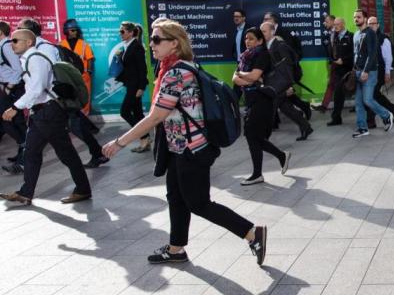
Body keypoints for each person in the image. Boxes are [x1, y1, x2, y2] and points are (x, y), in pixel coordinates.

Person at [101, 19, 267, 265]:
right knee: (176, 198)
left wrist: (120, 142)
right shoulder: (177, 67)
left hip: (192, 148)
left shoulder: (177, 73)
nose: (151, 45)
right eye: (151, 39)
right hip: (178, 146)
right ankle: (176, 248)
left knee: (199, 203)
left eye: (157, 40)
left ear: (175, 44)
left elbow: (156, 115)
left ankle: (252, 232)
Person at [0, 28, 92, 206]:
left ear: (28, 42)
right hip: (42, 113)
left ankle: (82, 189)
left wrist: (15, 108)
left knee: (64, 153)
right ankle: (26, 193)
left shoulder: (35, 59)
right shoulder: (29, 59)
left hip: (49, 112)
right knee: (32, 152)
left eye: (15, 41)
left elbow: (37, 88)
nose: (12, 44)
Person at [21, 18, 108, 169]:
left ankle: (96, 155)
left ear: (28, 34)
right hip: (54, 97)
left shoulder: (43, 48)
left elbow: (51, 73)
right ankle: (96, 154)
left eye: (20, 29)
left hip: (57, 96)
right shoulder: (40, 47)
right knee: (72, 125)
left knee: (74, 126)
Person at [233, 26, 291, 186]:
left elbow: (254, 75)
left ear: (259, 41)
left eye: (251, 38)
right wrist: (248, 77)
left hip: (263, 99)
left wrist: (245, 76)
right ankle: (268, 166)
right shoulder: (245, 56)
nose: (247, 41)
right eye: (246, 38)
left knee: (252, 135)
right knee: (253, 136)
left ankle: (268, 165)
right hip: (251, 99)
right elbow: (235, 78)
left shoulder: (263, 54)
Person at [262, 20, 312, 141]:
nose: (262, 34)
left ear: (272, 32)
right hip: (275, 83)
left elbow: (287, 66)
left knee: (270, 106)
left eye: (264, 31)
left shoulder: (280, 46)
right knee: (285, 107)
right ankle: (305, 126)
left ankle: (264, 135)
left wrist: (290, 84)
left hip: (282, 84)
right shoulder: (268, 45)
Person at [351, 9, 393, 138]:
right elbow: (356, 54)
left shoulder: (370, 33)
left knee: (367, 99)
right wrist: (354, 70)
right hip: (357, 72)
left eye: (358, 17)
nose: (356, 19)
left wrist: (366, 71)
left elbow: (372, 54)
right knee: (358, 102)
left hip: (369, 73)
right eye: (354, 17)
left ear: (364, 18)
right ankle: (363, 128)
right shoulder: (356, 34)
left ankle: (386, 115)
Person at [115, 22, 151, 153]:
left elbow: (142, 69)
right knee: (138, 113)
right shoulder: (128, 46)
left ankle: (145, 136)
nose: (120, 34)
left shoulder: (136, 47)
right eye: (120, 31)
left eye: (123, 31)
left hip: (135, 86)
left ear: (131, 32)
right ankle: (145, 142)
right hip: (131, 84)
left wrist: (141, 87)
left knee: (124, 112)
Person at [0, 20, 26, 174]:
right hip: (7, 87)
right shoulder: (3, 46)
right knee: (14, 121)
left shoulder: (6, 46)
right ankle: (22, 152)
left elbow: (17, 68)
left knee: (9, 121)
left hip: (12, 88)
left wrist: (9, 87)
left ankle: (24, 148)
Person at [368, 16, 394, 123]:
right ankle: (393, 109)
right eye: (369, 24)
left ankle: (371, 120)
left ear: (378, 25)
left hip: (380, 71)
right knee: (374, 94)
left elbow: (388, 58)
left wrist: (387, 73)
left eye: (373, 23)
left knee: (371, 94)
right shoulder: (367, 37)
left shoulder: (383, 39)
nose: (371, 26)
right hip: (370, 71)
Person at [326, 17, 353, 127]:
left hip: (349, 70)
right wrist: (332, 61)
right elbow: (332, 53)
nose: (335, 26)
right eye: (334, 24)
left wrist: (344, 60)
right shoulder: (334, 37)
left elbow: (354, 53)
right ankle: (336, 118)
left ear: (343, 24)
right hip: (337, 71)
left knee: (357, 92)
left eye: (337, 24)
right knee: (337, 94)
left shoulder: (350, 36)